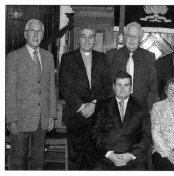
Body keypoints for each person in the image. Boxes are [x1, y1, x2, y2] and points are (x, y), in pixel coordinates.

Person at [5, 19, 56, 170]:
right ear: (25, 34)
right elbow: (9, 90)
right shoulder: (13, 57)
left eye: (39, 31)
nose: (36, 35)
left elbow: (51, 88)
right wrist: (10, 119)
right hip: (20, 120)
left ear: (43, 35)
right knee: (18, 161)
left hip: (42, 120)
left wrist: (51, 115)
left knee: (37, 162)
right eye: (32, 31)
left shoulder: (48, 57)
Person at [59, 25, 111, 170]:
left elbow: (107, 86)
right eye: (83, 36)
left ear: (94, 40)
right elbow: (64, 87)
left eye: (90, 37)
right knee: (75, 157)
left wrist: (93, 104)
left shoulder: (102, 58)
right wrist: (82, 107)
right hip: (76, 114)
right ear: (78, 40)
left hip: (96, 116)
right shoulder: (67, 58)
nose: (87, 40)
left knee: (93, 157)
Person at [92, 71, 152, 170]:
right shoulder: (101, 105)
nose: (122, 89)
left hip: (133, 157)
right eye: (119, 85)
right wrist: (109, 154)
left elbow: (147, 135)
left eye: (126, 85)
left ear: (131, 87)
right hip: (107, 157)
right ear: (113, 87)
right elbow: (94, 134)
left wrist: (130, 155)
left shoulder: (142, 106)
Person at [106, 21, 158, 109]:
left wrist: (147, 107)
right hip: (115, 106)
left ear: (140, 39)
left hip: (140, 107)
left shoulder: (149, 57)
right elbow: (106, 84)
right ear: (125, 37)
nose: (132, 39)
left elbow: (153, 87)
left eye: (135, 37)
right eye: (129, 36)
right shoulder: (112, 55)